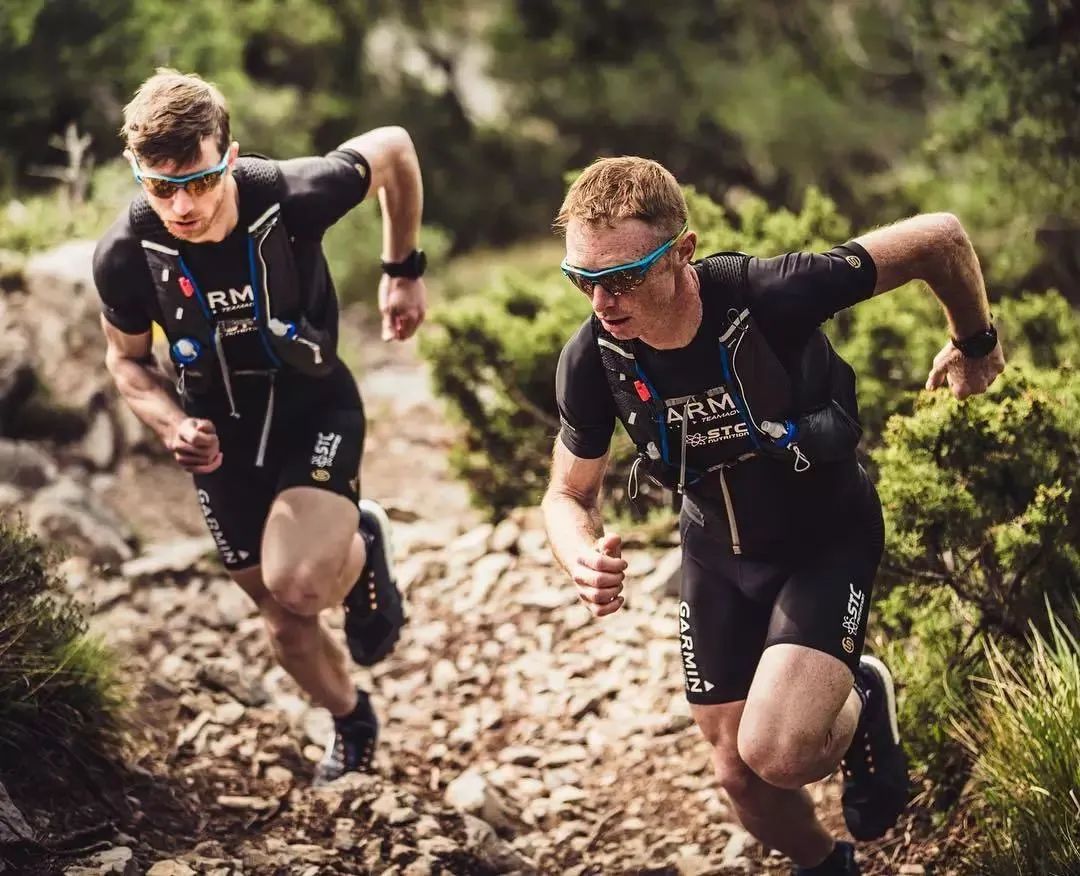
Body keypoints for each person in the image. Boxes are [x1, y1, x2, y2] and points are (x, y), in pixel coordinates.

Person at [541, 157, 1004, 874]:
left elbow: (937, 237)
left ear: (684, 252)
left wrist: (976, 341)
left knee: (778, 751)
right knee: (739, 779)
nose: (603, 301)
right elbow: (568, 494)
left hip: (825, 538)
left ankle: (858, 686)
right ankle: (829, 866)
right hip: (718, 555)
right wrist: (579, 554)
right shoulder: (593, 359)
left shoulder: (769, 295)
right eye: (584, 280)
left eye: (625, 277)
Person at [92, 69, 428, 785]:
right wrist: (171, 423)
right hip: (219, 435)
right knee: (281, 619)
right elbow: (127, 366)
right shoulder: (126, 256)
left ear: (231, 155)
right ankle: (351, 720)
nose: (182, 205)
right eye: (161, 187)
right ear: (139, 174)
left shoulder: (294, 195)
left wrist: (403, 268)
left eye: (202, 182)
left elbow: (395, 148)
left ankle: (359, 539)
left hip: (313, 405)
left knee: (299, 582)